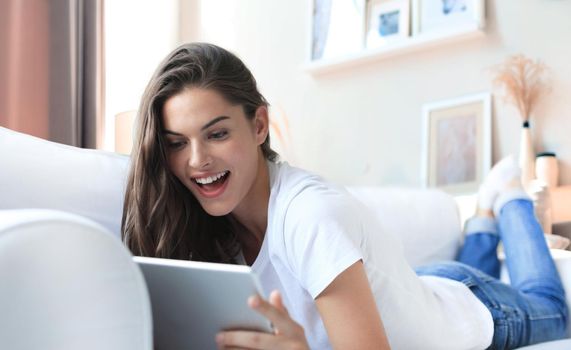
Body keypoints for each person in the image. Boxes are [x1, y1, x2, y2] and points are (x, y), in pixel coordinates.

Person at [121, 42, 568, 350]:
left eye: (216, 134)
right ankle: (482, 222)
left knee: (550, 302)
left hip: (471, 313)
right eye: (176, 142)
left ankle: (507, 197)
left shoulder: (310, 215)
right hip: (410, 288)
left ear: (259, 126)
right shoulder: (206, 227)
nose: (196, 160)